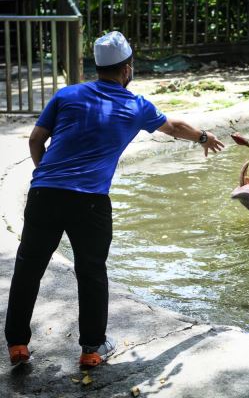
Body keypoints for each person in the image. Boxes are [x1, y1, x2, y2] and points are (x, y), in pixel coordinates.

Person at [4, 31, 224, 368]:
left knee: (28, 267)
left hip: (44, 193)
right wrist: (204, 137)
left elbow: (36, 140)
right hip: (89, 202)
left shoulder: (66, 95)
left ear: (99, 67)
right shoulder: (135, 106)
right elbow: (175, 126)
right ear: (127, 69)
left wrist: (45, 175)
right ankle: (92, 350)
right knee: (91, 272)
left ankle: (17, 345)